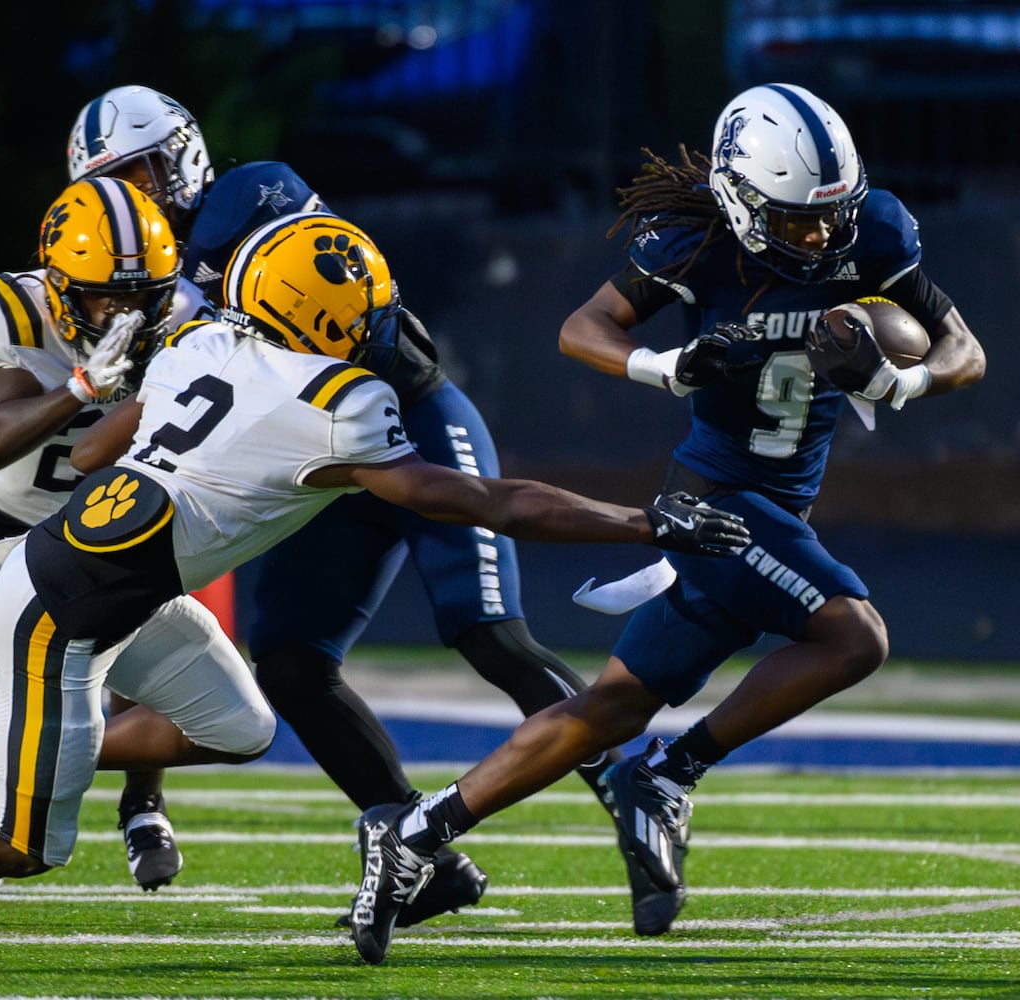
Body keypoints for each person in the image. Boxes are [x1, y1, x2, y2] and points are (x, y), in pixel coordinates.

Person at [0, 204, 749, 962]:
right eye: (363, 311)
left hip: (118, 586)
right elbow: (479, 501)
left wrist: (132, 410)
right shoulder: (336, 404)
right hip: (55, 617)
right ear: (319, 315)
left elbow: (86, 463)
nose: (380, 323)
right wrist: (636, 518)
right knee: (27, 846)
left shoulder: (203, 345)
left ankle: (15, 750)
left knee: (240, 727)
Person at [343, 82, 987, 965]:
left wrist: (902, 382)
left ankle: (415, 833)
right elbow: (583, 327)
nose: (820, 237)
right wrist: (670, 364)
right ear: (740, 197)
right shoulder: (695, 242)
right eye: (797, 220)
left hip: (778, 512)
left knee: (607, 708)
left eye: (829, 217)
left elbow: (965, 351)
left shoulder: (874, 231)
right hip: (717, 502)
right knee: (853, 636)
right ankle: (668, 773)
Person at [65, 85, 678, 931]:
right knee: (287, 665)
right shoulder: (159, 277)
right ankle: (409, 844)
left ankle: (630, 796)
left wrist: (153, 316)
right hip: (317, 459)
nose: (136, 195)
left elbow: (254, 305)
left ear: (180, 152)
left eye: (141, 170)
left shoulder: (250, 196)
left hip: (408, 420)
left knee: (487, 631)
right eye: (117, 182)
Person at [0, 148, 202, 919]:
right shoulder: (10, 309)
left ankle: (142, 806)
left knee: (154, 684)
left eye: (140, 295)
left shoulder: (186, 315)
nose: (119, 314)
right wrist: (83, 387)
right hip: (14, 531)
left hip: (119, 523)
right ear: (56, 281)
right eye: (99, 298)